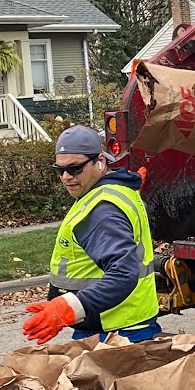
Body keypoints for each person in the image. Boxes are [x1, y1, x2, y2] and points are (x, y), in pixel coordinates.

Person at [22, 125, 162, 345]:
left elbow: (123, 274)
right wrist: (59, 302)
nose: (66, 177)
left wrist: (68, 307)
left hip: (116, 334)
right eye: (59, 170)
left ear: (100, 161)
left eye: (75, 168)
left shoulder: (102, 210)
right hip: (123, 324)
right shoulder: (113, 189)